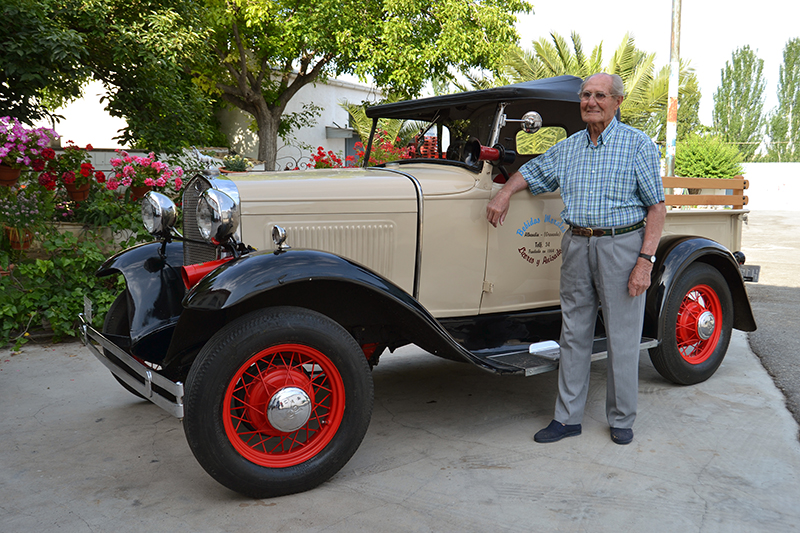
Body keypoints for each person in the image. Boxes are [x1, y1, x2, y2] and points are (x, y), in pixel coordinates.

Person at [486, 73, 666, 445]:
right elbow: (532, 171)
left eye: (599, 95)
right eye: (585, 95)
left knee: (622, 336)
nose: (590, 102)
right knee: (573, 334)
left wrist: (645, 261)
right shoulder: (568, 148)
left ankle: (621, 418)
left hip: (622, 245)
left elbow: (656, 207)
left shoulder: (637, 145)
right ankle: (567, 419)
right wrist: (504, 193)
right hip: (577, 245)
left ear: (617, 102)